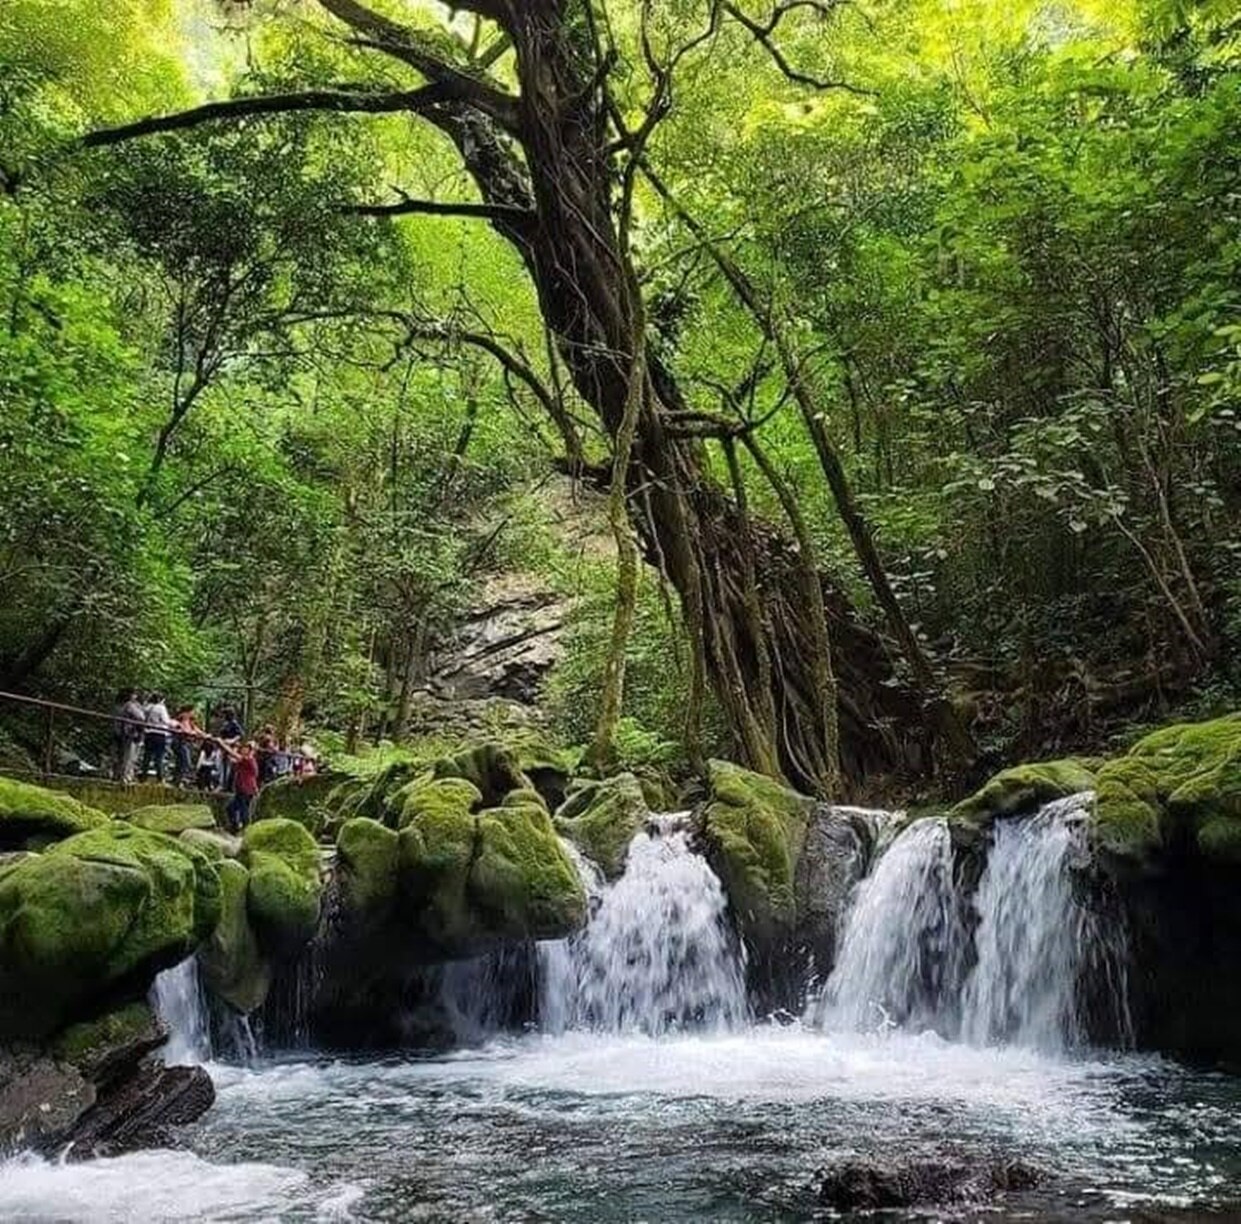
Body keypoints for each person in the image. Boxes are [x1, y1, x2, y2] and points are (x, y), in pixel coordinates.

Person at [222, 739, 260, 833]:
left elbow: (233, 754)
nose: (243, 750)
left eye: (246, 748)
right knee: (231, 808)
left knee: (244, 810)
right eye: (243, 748)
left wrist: (221, 743)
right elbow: (232, 758)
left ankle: (245, 829)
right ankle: (235, 826)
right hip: (242, 789)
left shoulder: (248, 760)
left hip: (246, 789)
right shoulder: (244, 760)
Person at [113, 688, 145, 783]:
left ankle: (116, 774)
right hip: (128, 733)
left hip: (117, 732)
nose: (136, 696)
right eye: (134, 694)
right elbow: (140, 717)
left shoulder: (117, 705)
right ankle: (125, 776)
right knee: (128, 756)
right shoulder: (130, 705)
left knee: (118, 755)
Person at [141, 692, 173, 782]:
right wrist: (174, 723)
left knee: (147, 756)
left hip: (149, 733)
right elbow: (166, 720)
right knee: (159, 757)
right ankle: (160, 777)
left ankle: (143, 776)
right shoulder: (161, 708)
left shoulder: (147, 707)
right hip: (159, 734)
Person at [171, 704, 202, 787]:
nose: (194, 713)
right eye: (192, 711)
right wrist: (193, 733)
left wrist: (204, 735)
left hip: (187, 743)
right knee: (185, 762)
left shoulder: (189, 721)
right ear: (187, 712)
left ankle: (178, 780)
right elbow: (185, 730)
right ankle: (182, 780)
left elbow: (195, 729)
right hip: (181, 743)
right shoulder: (181, 719)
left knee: (181, 762)